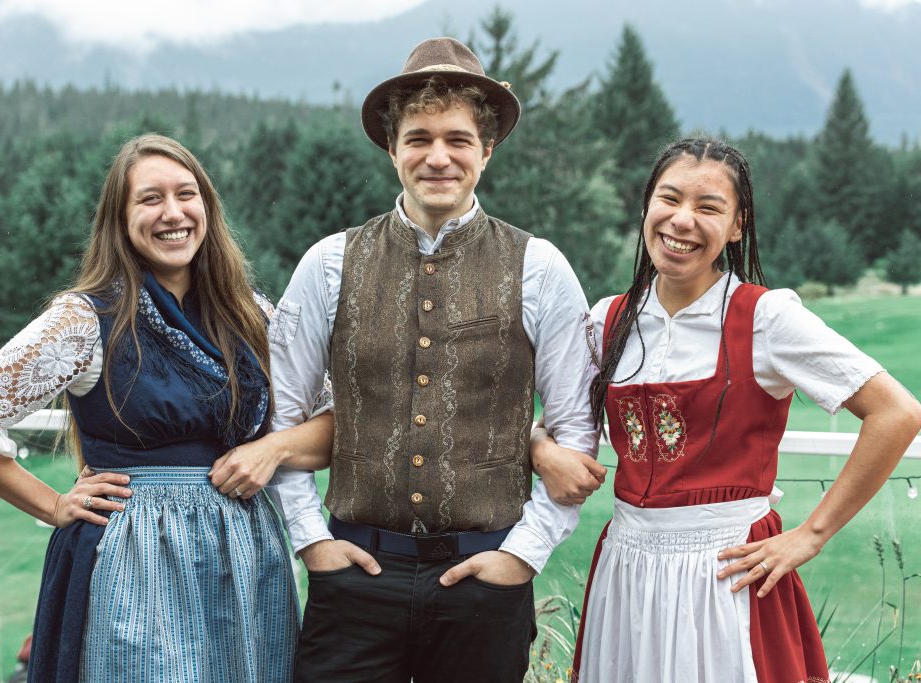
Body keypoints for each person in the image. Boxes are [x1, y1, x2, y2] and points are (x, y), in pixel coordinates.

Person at [0, 133, 333, 682]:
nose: (172, 213)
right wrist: (52, 505)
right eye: (150, 199)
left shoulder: (249, 315)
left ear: (207, 207)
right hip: (135, 557)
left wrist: (271, 448)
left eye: (186, 195)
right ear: (120, 219)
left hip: (245, 557)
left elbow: (334, 424)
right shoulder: (85, 320)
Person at [263, 37, 606, 683]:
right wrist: (311, 542)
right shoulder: (328, 263)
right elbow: (281, 417)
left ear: (487, 149)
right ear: (392, 148)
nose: (438, 156)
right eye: (419, 138)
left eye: (457, 139)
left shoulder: (540, 266)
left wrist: (522, 557)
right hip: (354, 576)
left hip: (485, 576)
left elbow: (575, 433)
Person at [530, 137, 921, 682]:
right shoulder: (608, 321)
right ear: (646, 208)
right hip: (627, 563)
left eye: (709, 207)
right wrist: (540, 449)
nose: (682, 220)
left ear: (737, 225)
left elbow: (897, 412)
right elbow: (555, 423)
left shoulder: (766, 320)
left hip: (728, 573)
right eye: (669, 199)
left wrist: (811, 535)